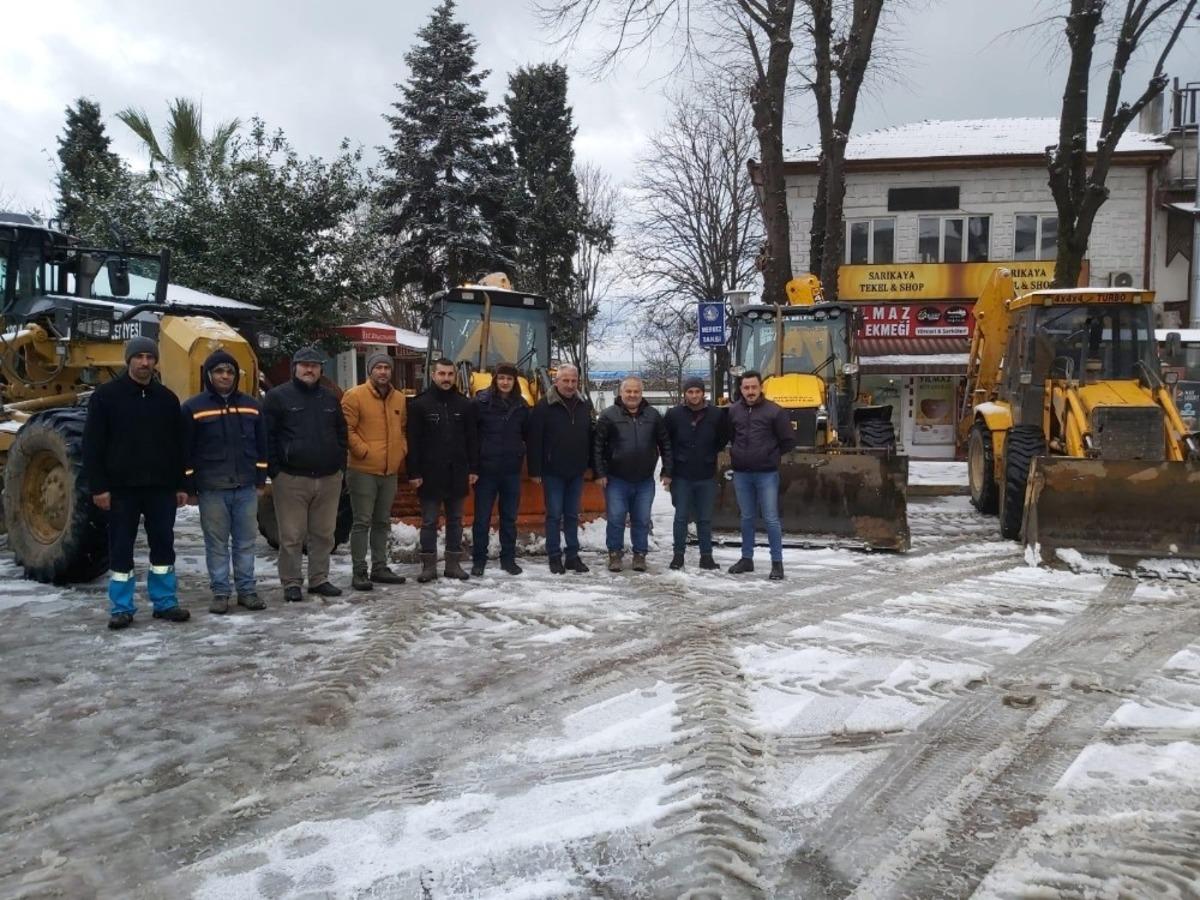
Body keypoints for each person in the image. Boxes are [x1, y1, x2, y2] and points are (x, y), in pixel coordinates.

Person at [83, 336, 190, 630]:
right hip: (121, 491)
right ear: (128, 360)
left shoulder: (167, 399)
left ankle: (165, 601)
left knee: (163, 547)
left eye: (149, 357)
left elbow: (178, 446)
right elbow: (93, 446)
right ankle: (121, 607)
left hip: (160, 489)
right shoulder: (106, 397)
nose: (145, 362)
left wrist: (181, 484)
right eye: (139, 356)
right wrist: (99, 487)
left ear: (156, 361)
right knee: (120, 547)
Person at [181, 349, 268, 614]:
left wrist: (261, 479)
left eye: (230, 371)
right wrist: (190, 486)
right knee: (217, 544)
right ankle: (220, 593)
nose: (225, 376)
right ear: (209, 375)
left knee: (245, 542)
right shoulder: (193, 408)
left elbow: (263, 445)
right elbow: (186, 450)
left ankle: (247, 590)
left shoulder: (252, 405)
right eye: (219, 371)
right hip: (212, 488)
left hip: (245, 487)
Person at [264, 346, 348, 601]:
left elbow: (341, 434)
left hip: (328, 477)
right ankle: (291, 582)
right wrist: (276, 471)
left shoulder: (330, 398)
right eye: (304, 365)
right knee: (291, 535)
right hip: (291, 478)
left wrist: (340, 466)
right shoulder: (278, 397)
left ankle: (319, 578)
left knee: (323, 534)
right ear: (295, 368)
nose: (309, 369)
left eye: (314, 365)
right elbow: (267, 436)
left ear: (321, 369)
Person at [406, 357, 479, 583]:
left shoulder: (464, 405)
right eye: (442, 374)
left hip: (457, 472)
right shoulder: (419, 405)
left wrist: (473, 468)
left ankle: (453, 564)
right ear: (433, 375)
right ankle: (428, 566)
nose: (446, 378)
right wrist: (414, 472)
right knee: (429, 521)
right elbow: (413, 441)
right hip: (429, 474)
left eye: (450, 374)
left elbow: (472, 439)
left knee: (456, 520)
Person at [341, 352, 408, 592]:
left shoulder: (399, 399)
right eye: (378, 367)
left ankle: (379, 567)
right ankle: (359, 570)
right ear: (370, 371)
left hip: (389, 470)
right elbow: (346, 428)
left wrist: (401, 451)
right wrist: (362, 451)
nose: (383, 372)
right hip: (363, 470)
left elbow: (402, 429)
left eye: (386, 368)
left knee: (382, 521)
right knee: (362, 521)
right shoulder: (354, 395)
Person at [594, 376, 672, 573]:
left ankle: (639, 555)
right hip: (616, 479)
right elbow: (597, 447)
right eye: (628, 391)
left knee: (642, 519)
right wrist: (600, 472)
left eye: (636, 391)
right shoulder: (609, 415)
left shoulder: (653, 416)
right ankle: (614, 554)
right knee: (616, 518)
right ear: (621, 393)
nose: (632, 395)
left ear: (641, 393)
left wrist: (667, 470)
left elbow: (666, 445)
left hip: (644, 480)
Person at [726, 370, 797, 580]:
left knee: (770, 518)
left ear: (760, 388)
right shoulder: (733, 412)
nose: (750, 391)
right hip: (741, 474)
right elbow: (730, 436)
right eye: (746, 388)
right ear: (741, 389)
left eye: (753, 387)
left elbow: (788, 441)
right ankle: (746, 559)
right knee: (746, 517)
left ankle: (777, 563)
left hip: (766, 474)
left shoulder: (774, 412)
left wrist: (770, 455)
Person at [527, 364, 593, 575]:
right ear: (556, 381)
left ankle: (572, 556)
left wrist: (590, 465)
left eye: (574, 381)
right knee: (554, 515)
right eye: (566, 380)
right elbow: (534, 439)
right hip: (552, 470)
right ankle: (554, 556)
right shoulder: (544, 406)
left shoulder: (584, 405)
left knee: (572, 515)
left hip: (576, 470)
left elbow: (589, 436)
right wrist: (535, 470)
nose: (570, 384)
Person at [663, 376, 730, 571]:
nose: (694, 395)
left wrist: (708, 453)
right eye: (690, 392)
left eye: (697, 392)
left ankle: (706, 556)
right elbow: (666, 442)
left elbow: (722, 438)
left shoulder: (716, 415)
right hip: (681, 474)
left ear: (703, 393)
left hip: (706, 473)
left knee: (705, 518)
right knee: (681, 517)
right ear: (685, 394)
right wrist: (667, 471)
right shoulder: (674, 415)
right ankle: (678, 556)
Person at [470, 362, 529, 577]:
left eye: (509, 379)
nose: (505, 382)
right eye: (501, 378)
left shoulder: (522, 406)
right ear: (495, 379)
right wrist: (473, 467)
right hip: (486, 470)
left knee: (509, 518)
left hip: (511, 470)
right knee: (482, 518)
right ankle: (479, 559)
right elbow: (472, 438)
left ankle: (508, 559)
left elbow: (528, 435)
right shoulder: (480, 403)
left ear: (515, 382)